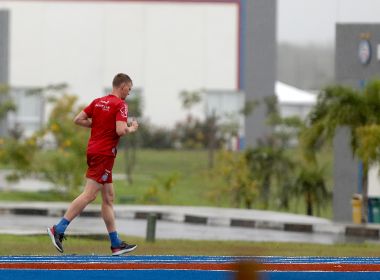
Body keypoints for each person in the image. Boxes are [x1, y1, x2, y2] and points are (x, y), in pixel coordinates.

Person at [47, 73, 139, 256]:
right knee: (89, 195)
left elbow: (78, 119)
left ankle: (115, 244)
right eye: (129, 89)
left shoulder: (98, 101)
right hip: (105, 154)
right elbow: (120, 130)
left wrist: (99, 125)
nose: (129, 92)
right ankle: (58, 228)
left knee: (109, 197)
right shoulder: (120, 105)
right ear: (122, 86)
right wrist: (132, 128)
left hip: (94, 150)